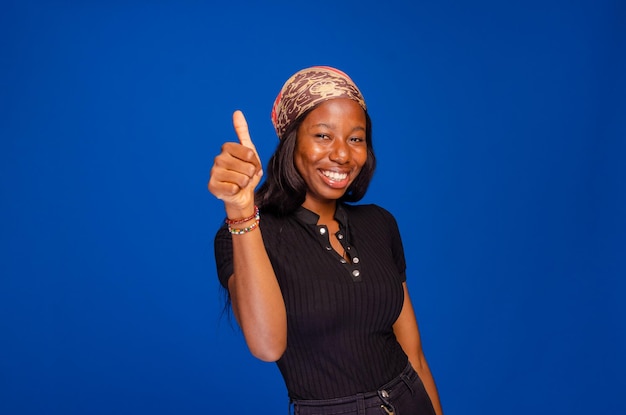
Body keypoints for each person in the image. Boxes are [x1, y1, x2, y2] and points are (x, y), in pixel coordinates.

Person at [208, 66, 444, 415]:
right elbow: (267, 346)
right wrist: (242, 210)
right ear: (292, 141)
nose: (343, 155)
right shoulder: (248, 233)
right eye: (323, 136)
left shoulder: (380, 223)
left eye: (356, 138)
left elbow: (415, 355)